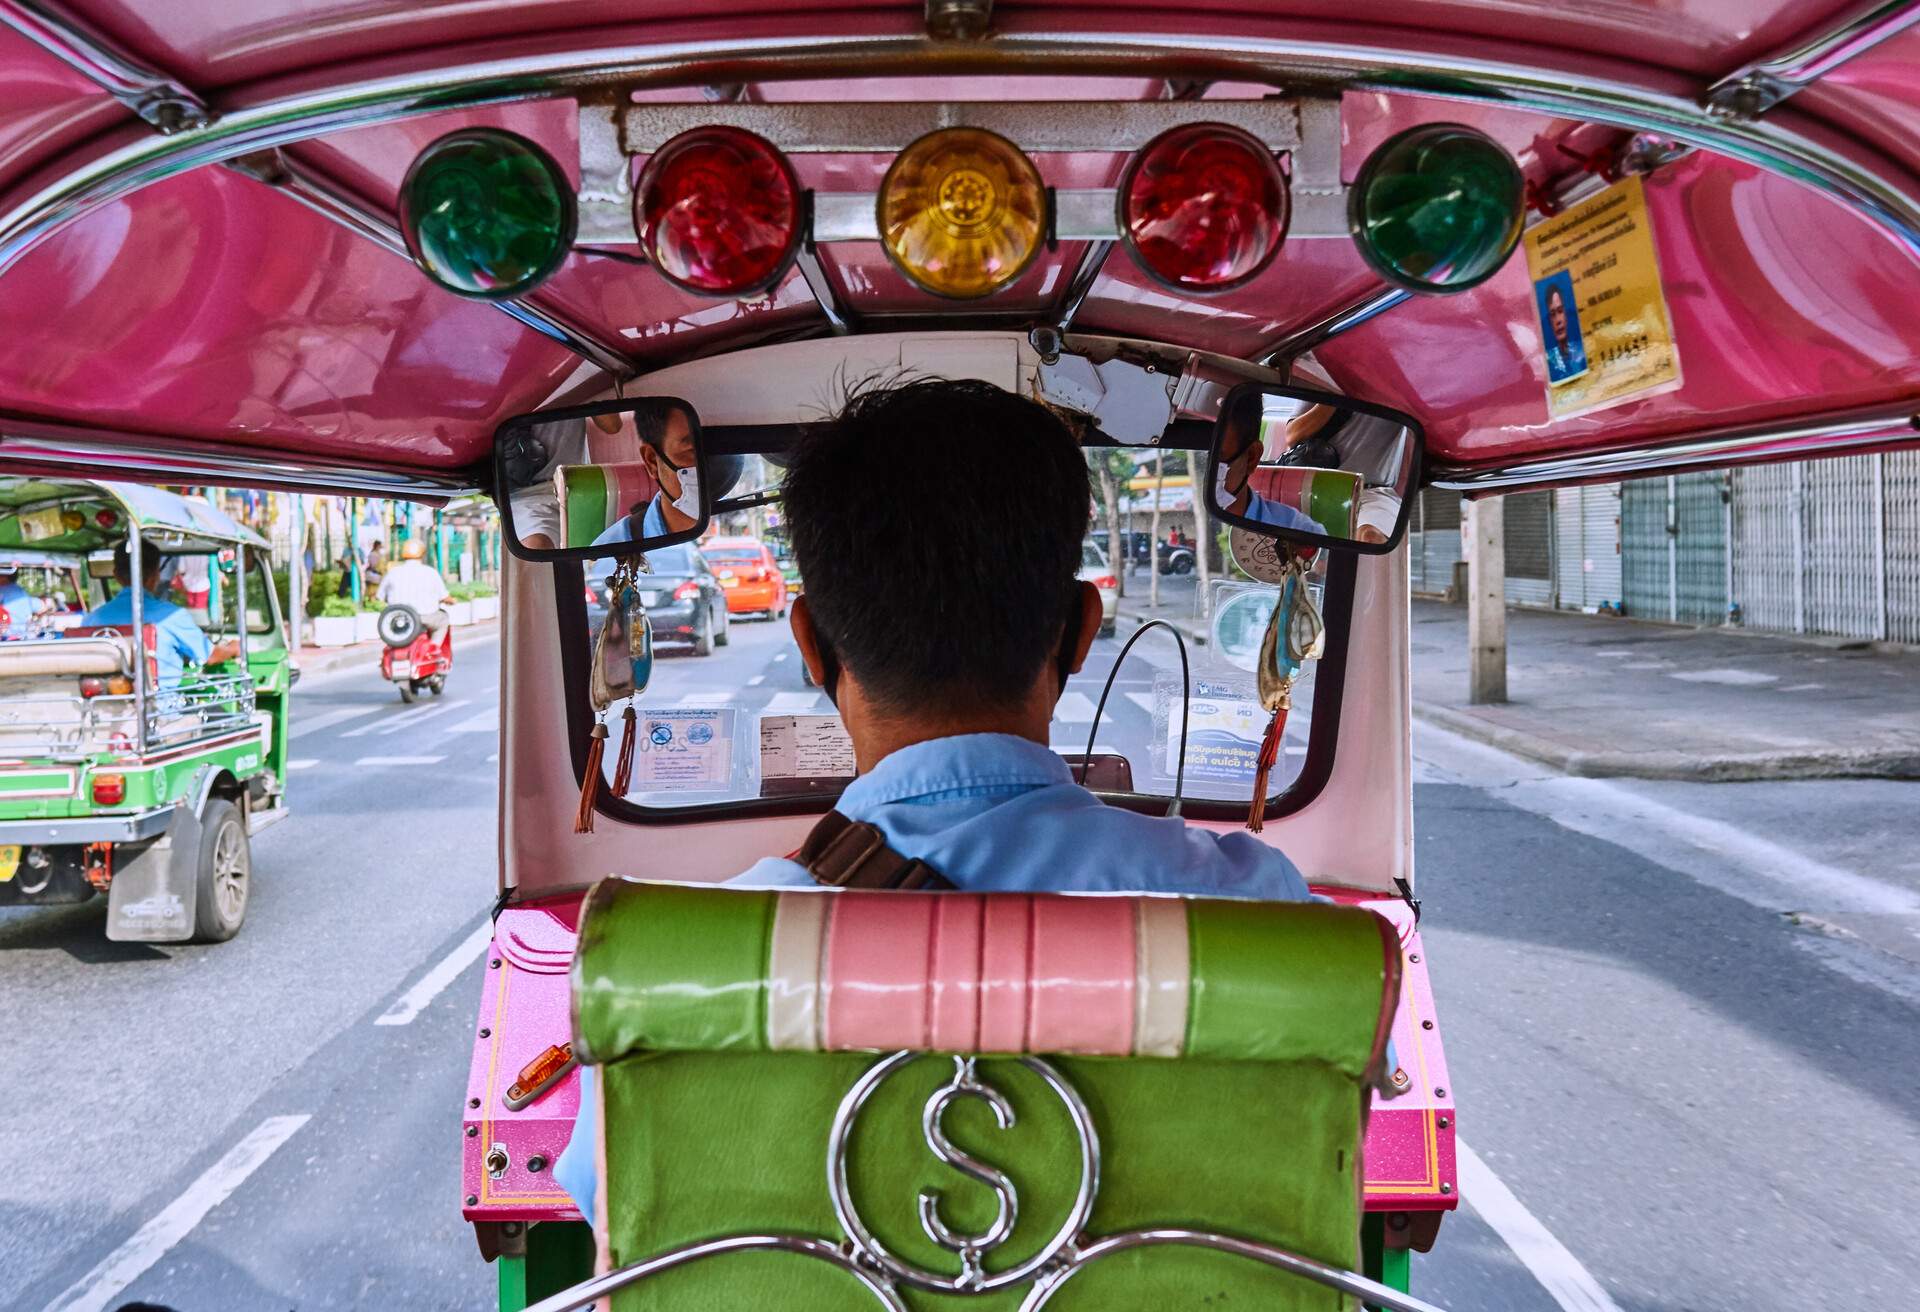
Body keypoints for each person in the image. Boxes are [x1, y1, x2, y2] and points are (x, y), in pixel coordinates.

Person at [555, 378, 1314, 1218]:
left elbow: (615, 1223)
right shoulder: (1260, 915)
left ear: (810, 645)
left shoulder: (664, 980)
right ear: (1080, 631)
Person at [83, 547, 239, 687]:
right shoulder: (172, 616)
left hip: (102, 709)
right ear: (156, 575)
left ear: (116, 575)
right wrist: (233, 648)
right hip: (161, 711)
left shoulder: (92, 619)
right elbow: (210, 656)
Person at [376, 538, 453, 636]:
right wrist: (451, 600)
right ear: (422, 553)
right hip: (426, 618)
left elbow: (379, 596)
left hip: (397, 619)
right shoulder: (430, 572)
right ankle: (434, 648)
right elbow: (444, 597)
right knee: (443, 619)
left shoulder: (393, 572)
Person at [0, 563, 50, 639]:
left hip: (6, 638)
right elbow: (43, 608)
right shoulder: (21, 591)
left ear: (4, 576)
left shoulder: (3, 591)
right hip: (24, 637)